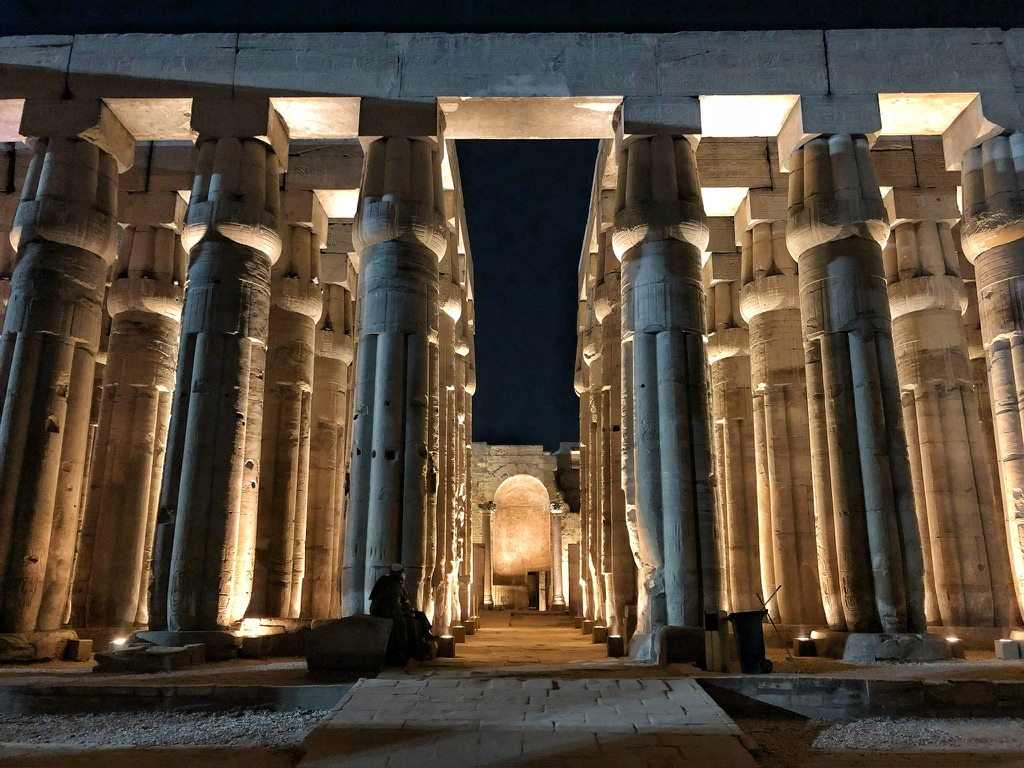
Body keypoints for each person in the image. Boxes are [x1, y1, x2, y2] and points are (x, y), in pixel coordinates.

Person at [369, 564, 435, 663]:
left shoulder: (389, 582)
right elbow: (394, 606)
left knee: (418, 616)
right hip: (386, 612)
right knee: (410, 624)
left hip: (387, 610)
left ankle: (424, 638)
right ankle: (409, 651)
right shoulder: (393, 586)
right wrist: (406, 614)